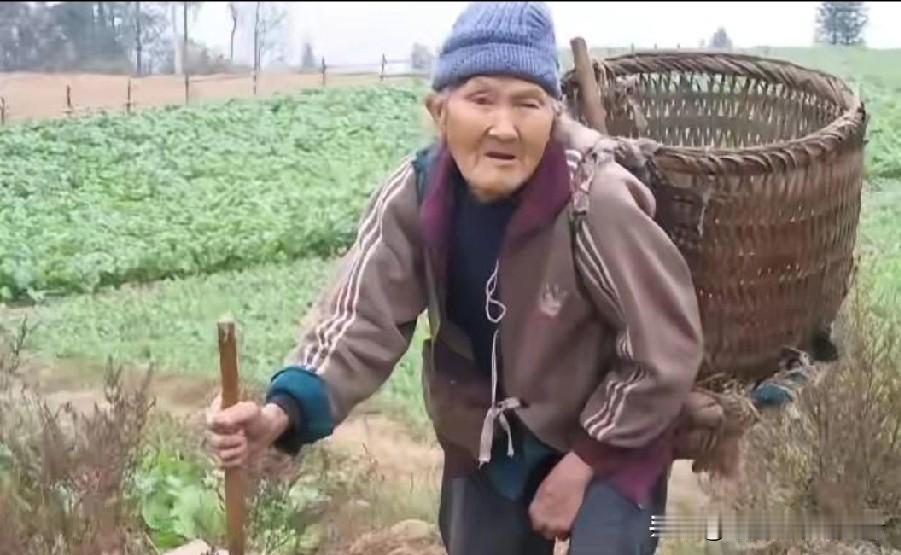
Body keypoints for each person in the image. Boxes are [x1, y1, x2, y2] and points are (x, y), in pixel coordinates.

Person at [206, 2, 703, 554]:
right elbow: (359, 318)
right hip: (490, 435)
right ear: (439, 111)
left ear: (554, 117)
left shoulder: (595, 200)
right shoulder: (419, 194)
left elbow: (663, 354)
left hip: (613, 430)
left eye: (528, 103)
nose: (504, 127)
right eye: (481, 99)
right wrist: (282, 413)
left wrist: (583, 465)